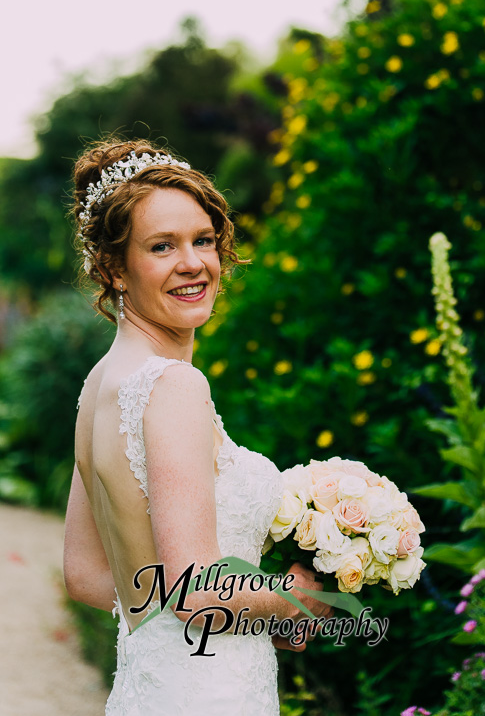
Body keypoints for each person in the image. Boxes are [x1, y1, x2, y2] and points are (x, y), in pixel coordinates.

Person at [62, 138, 332, 715]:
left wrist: (223, 618)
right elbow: (198, 590)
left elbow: (86, 575)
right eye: (163, 246)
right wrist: (290, 602)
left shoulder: (99, 384)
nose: (194, 263)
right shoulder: (174, 386)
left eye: (203, 240)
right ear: (114, 268)